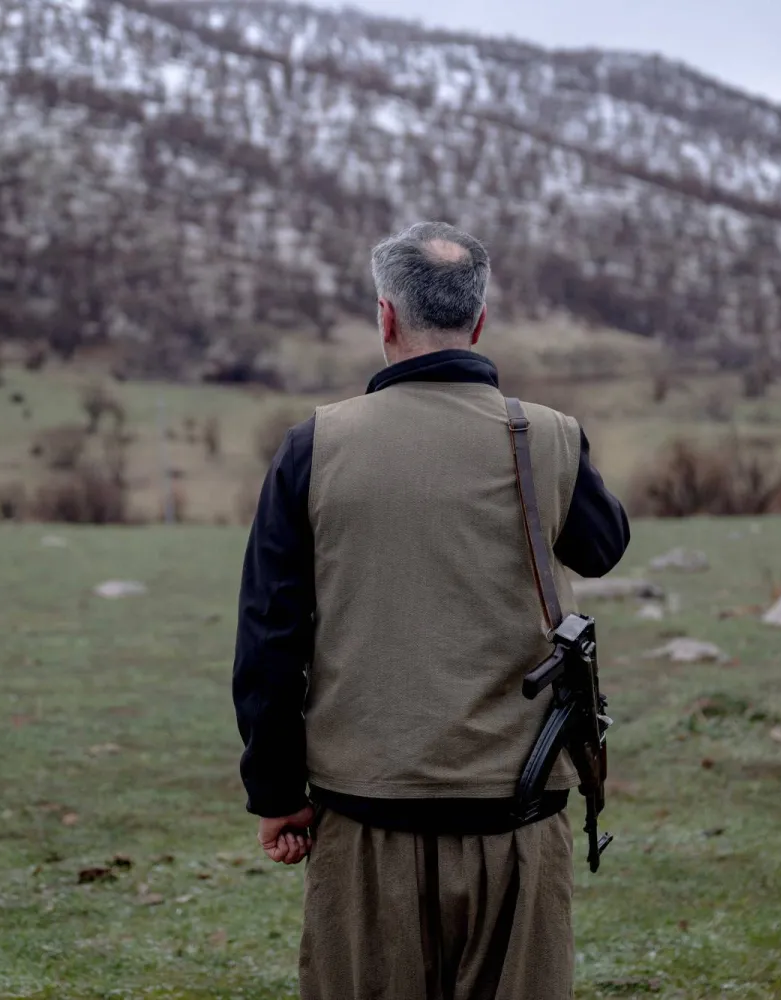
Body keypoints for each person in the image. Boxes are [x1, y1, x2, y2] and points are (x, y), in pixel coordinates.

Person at [232, 221, 630, 1000]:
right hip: (518, 819)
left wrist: (276, 794)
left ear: (385, 317)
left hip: (366, 821)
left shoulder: (314, 446)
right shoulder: (548, 437)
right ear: (478, 321)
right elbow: (604, 545)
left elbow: (271, 639)